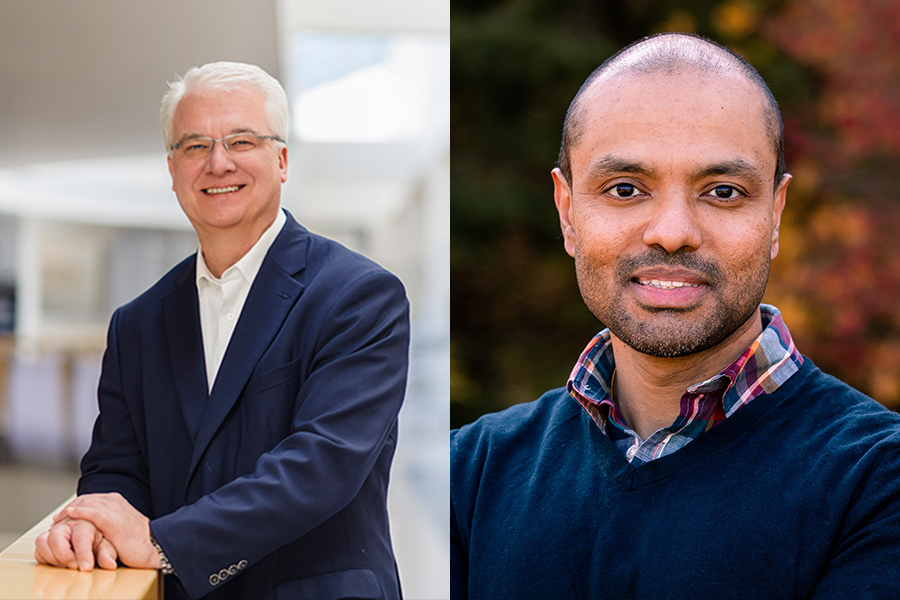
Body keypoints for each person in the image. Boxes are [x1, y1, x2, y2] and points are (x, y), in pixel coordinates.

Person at [451, 32, 900, 599]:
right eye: (624, 188)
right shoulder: (471, 472)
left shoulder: (878, 480)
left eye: (723, 192)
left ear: (776, 214)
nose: (672, 233)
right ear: (568, 212)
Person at [33, 61, 409, 600]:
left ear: (281, 160)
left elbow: (322, 465)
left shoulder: (358, 296)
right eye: (193, 146)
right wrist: (87, 526)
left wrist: (161, 541)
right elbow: (115, 468)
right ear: (172, 169)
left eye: (241, 140)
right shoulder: (137, 323)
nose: (218, 162)